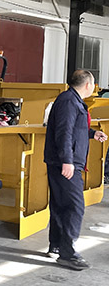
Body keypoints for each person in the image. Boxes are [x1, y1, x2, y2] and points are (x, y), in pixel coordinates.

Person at [44, 69, 107, 271]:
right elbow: (63, 132)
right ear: (88, 85)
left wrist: (92, 133)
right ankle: (68, 253)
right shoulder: (69, 101)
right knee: (75, 206)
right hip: (65, 162)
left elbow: (73, 128)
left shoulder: (72, 100)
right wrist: (67, 161)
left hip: (65, 160)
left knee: (61, 204)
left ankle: (56, 245)